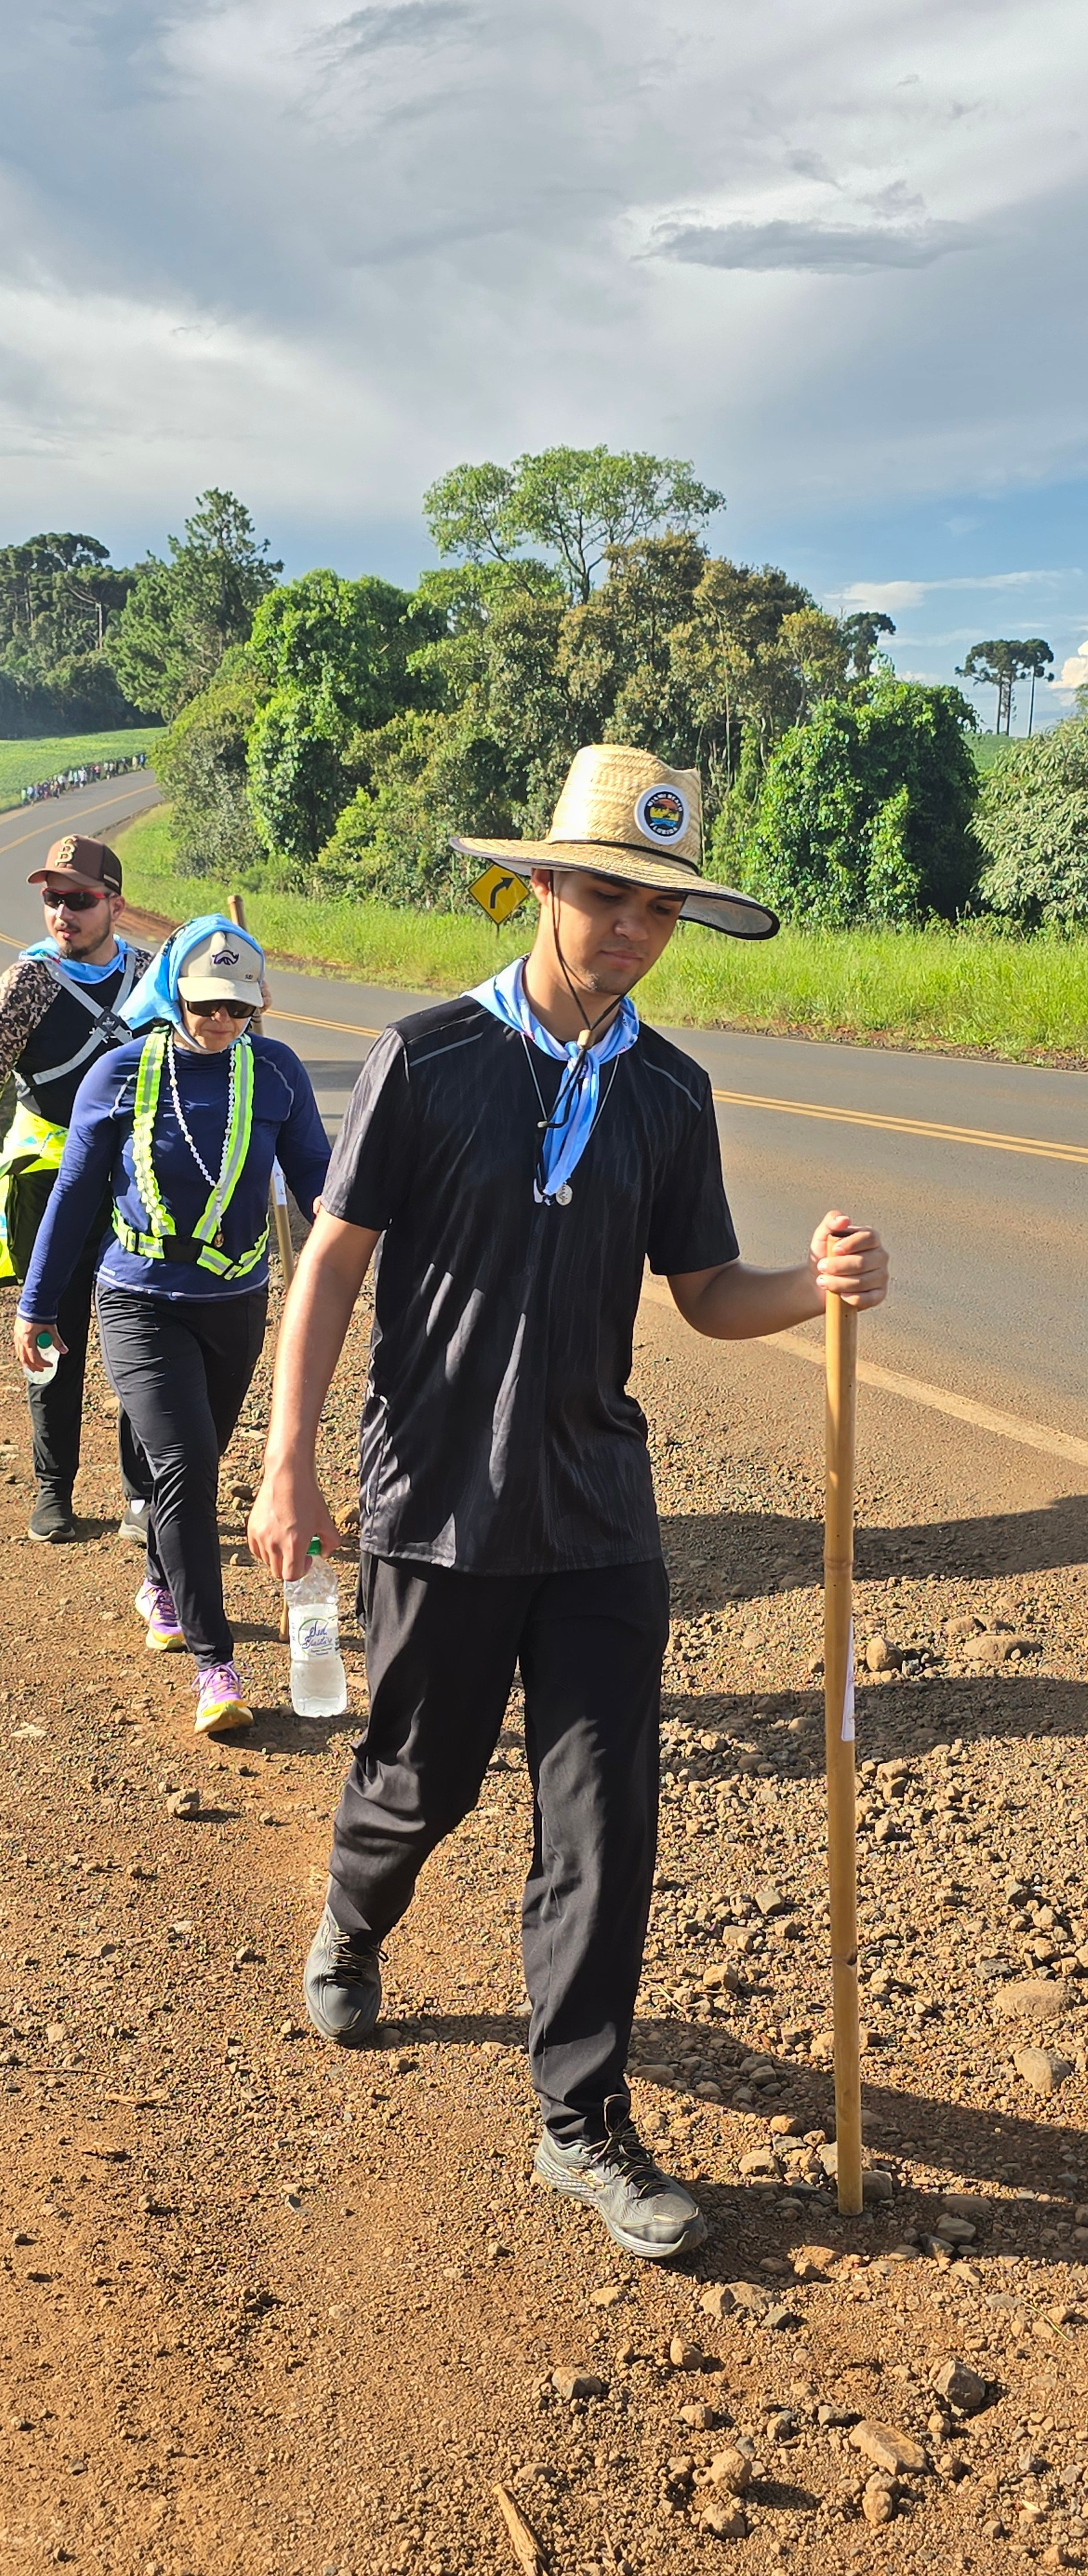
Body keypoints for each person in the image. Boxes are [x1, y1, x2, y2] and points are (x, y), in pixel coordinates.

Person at [247, 744, 890, 2264]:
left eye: (656, 907)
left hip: (598, 1508)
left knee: (603, 1819)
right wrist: (286, 1462)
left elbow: (702, 1290)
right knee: (421, 1776)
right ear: (537, 883)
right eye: (604, 893)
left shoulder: (667, 1090)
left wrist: (812, 1288)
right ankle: (352, 1916)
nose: (627, 928)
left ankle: (578, 2120)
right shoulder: (426, 1059)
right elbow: (331, 1262)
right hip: (437, 1505)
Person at [14, 917, 331, 1738]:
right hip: (138, 1299)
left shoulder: (277, 1075)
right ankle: (214, 1666)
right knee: (187, 1458)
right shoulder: (119, 1075)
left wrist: (377, 1244)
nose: (218, 1023)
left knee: (190, 1462)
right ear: (173, 997)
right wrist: (36, 1306)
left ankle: (161, 1576)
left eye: (235, 1009)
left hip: (235, 1303)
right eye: (202, 1007)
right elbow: (74, 1195)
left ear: (255, 1005)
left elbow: (319, 1188)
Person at [0, 835, 153, 1545]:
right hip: (47, 1182)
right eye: (52, 898)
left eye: (80, 899)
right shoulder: (26, 983)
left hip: (132, 1185)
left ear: (115, 904)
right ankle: (53, 1489)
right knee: (51, 1336)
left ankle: (141, 1495)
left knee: (138, 1342)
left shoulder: (153, 978)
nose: (62, 912)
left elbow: (220, 1042)